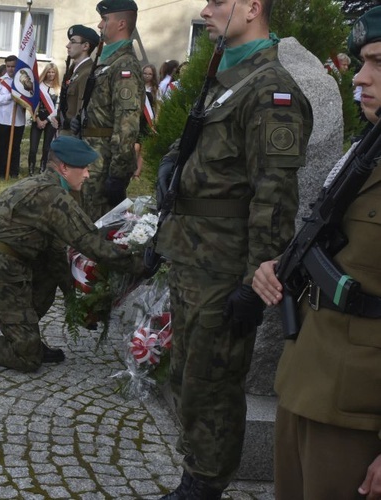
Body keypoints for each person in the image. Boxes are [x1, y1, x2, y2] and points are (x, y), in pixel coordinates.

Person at [154, 0, 314, 497]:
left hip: (225, 267)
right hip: (193, 257)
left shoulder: (272, 89)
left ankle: (204, 485)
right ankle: (194, 470)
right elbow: (202, 152)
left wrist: (254, 281)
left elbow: (274, 194)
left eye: (218, 2)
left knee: (212, 384)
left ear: (251, 7)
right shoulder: (227, 76)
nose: (206, 11)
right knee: (186, 373)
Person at [252, 7, 381, 499]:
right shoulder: (366, 149)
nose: (362, 78)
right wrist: (280, 269)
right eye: (362, 63)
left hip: (358, 411)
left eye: (379, 63)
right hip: (306, 382)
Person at [0, 136, 148, 378]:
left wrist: (77, 303)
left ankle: (27, 335)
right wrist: (141, 265)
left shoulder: (39, 184)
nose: (87, 174)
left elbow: (55, 256)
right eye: (82, 168)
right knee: (27, 358)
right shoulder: (55, 198)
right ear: (63, 168)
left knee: (48, 274)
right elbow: (92, 244)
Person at [81, 0, 144, 222]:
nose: (99, 25)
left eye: (105, 19)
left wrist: (117, 174)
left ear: (121, 24)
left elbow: (127, 123)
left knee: (99, 224)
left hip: (104, 161)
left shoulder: (124, 65)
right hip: (92, 155)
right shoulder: (107, 60)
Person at [60, 25, 100, 135]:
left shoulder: (87, 73)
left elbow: (81, 109)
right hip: (64, 132)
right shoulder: (74, 71)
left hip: (72, 135)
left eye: (72, 42)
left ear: (85, 46)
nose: (67, 46)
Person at [0, 55, 26, 178]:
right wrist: (11, 96)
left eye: (13, 66)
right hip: (2, 119)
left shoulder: (22, 81)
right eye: (8, 66)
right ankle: (0, 170)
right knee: (1, 146)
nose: (11, 69)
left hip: (18, 120)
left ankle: (13, 171)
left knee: (15, 147)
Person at [28, 63, 60, 175]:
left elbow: (57, 108)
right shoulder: (38, 87)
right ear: (45, 73)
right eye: (49, 72)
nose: (51, 74)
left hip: (50, 121)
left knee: (47, 148)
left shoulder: (58, 89)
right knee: (33, 148)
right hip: (37, 119)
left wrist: (46, 120)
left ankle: (43, 168)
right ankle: (31, 169)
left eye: (53, 72)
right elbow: (32, 104)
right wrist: (37, 120)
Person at [134, 64, 158, 180]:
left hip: (148, 121)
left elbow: (157, 106)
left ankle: (137, 174)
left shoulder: (155, 89)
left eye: (150, 74)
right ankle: (131, 170)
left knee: (144, 148)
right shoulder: (137, 87)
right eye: (145, 73)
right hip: (138, 120)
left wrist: (155, 122)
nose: (147, 76)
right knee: (136, 147)